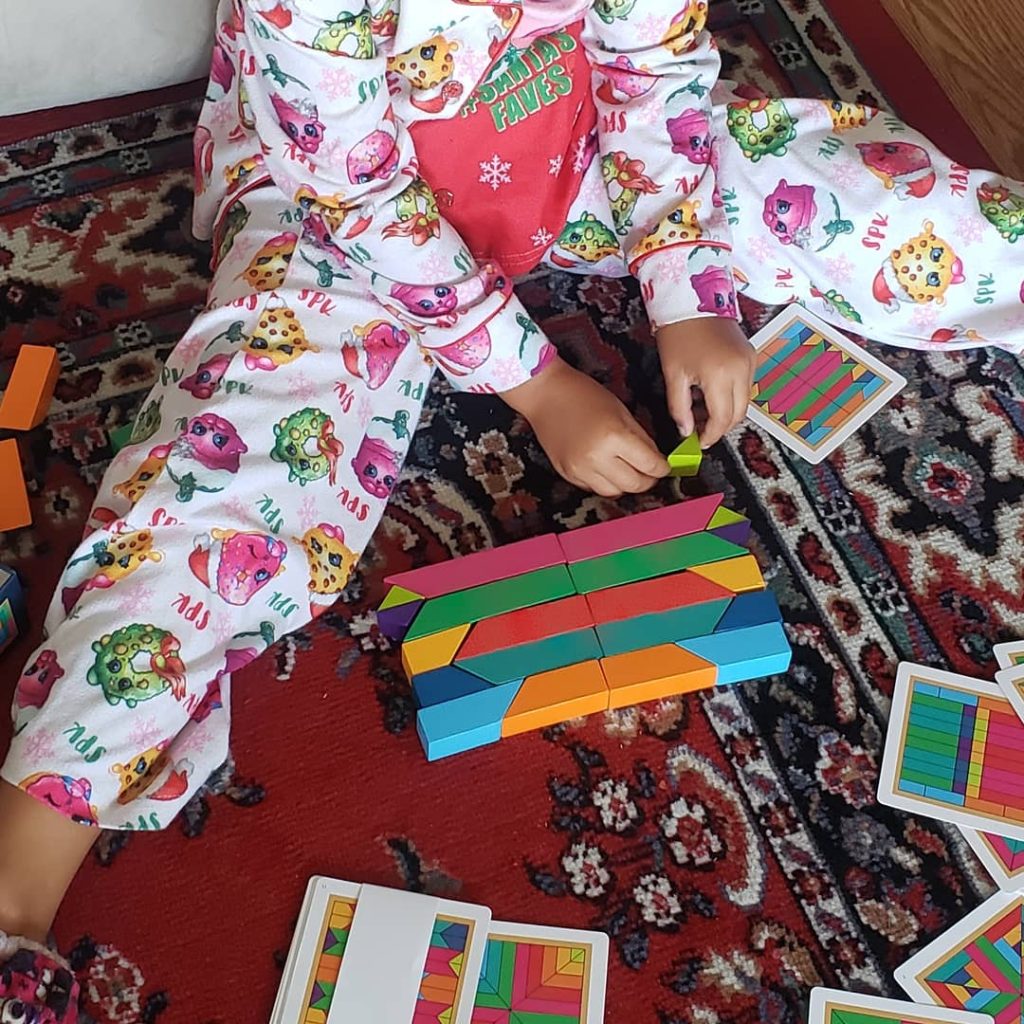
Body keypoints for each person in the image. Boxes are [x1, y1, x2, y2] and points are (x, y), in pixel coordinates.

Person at [2, 1, 1022, 1015]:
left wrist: (688, 289)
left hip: (569, 153)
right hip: (331, 222)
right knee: (222, 486)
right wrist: (532, 382)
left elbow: (656, 76)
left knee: (876, 196)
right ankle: (20, 882)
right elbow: (353, 193)